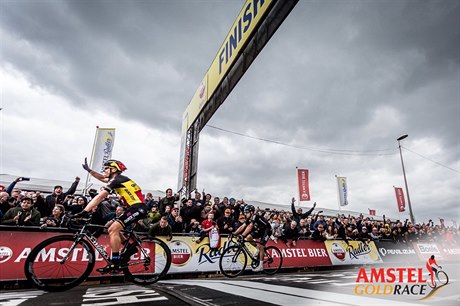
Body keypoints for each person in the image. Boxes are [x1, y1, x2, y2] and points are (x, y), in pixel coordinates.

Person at [74, 158, 147, 273]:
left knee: (113, 229)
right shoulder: (116, 179)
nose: (104, 170)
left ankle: (115, 262)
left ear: (114, 169)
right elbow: (103, 178)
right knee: (111, 227)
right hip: (132, 207)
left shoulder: (118, 179)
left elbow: (100, 197)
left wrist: (84, 211)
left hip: (138, 207)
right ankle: (129, 249)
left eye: (106, 168)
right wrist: (89, 170)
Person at [233, 204, 272, 272]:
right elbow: (242, 226)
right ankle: (257, 249)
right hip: (260, 230)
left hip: (267, 230)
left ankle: (260, 266)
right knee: (248, 237)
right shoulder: (249, 218)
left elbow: (250, 227)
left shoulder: (255, 216)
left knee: (261, 246)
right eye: (245, 212)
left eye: (247, 212)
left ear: (251, 212)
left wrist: (242, 235)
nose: (245, 214)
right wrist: (234, 233)